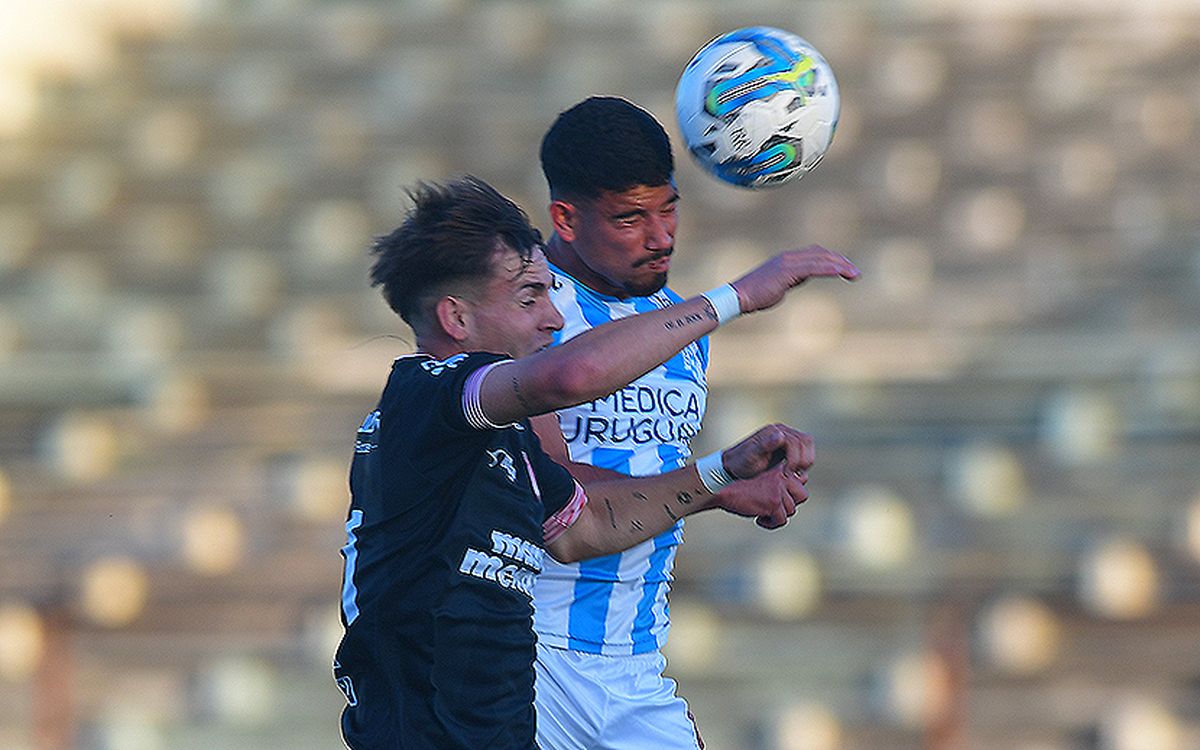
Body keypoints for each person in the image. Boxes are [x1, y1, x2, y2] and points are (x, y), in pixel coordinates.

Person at [332, 175, 858, 749]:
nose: (553, 319)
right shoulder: (426, 397)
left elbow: (586, 525)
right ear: (456, 319)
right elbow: (568, 378)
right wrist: (734, 299)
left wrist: (719, 477)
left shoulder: (498, 439)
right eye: (530, 297)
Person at [531, 96, 856, 749]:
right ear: (566, 218)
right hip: (525, 651)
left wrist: (725, 482)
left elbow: (655, 475)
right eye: (629, 219)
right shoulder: (524, 310)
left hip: (633, 662)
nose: (661, 236)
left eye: (669, 207)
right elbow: (547, 490)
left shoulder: (677, 320)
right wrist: (712, 482)